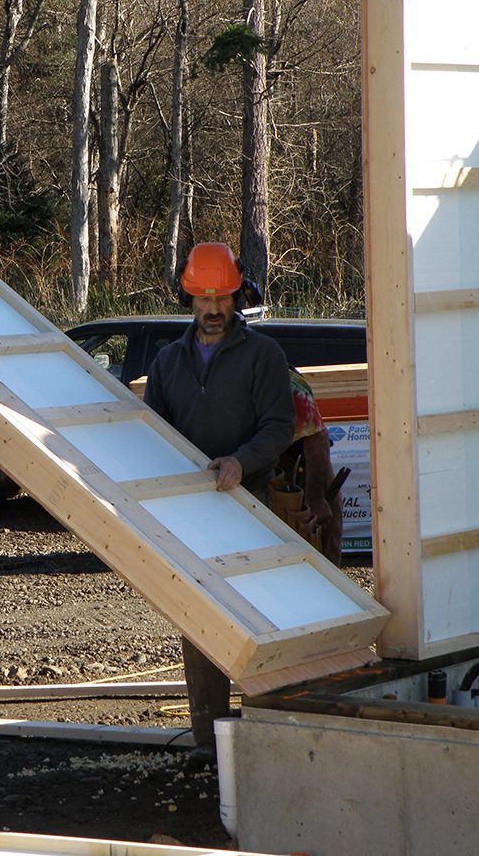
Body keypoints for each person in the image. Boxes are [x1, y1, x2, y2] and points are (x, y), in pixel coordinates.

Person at [142, 241, 294, 763]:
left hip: (252, 504)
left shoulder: (263, 356)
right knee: (201, 622)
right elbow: (153, 434)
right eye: (203, 300)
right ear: (188, 299)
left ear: (236, 296)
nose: (212, 310)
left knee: (263, 618)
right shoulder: (167, 362)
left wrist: (240, 462)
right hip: (192, 513)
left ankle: (267, 733)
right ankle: (209, 741)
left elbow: (280, 427)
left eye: (222, 299)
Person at [281, 369, 344, 565]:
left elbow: (317, 437)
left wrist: (316, 497)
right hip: (263, 460)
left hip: (305, 461)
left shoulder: (284, 381)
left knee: (325, 534)